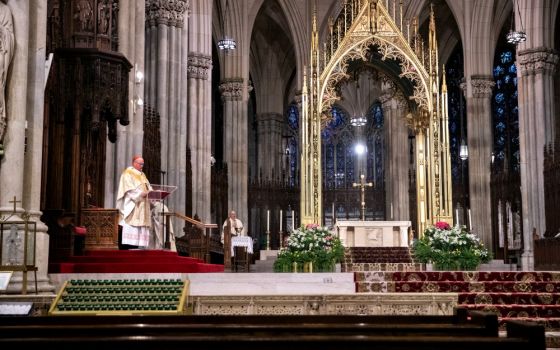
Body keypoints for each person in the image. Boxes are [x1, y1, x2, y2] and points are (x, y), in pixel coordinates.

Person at [116, 155, 152, 249]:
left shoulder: (143, 175)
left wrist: (152, 193)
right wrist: (141, 194)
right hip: (133, 204)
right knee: (131, 226)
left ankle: (136, 246)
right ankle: (126, 247)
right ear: (134, 163)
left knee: (138, 230)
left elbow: (148, 187)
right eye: (140, 164)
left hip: (143, 205)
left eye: (143, 164)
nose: (142, 166)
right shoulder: (128, 173)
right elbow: (129, 189)